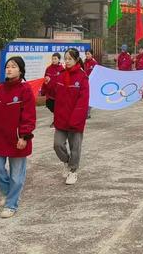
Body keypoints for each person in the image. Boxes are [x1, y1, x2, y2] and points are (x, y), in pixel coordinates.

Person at [0, 56, 36, 218]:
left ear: (20, 70)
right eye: (7, 67)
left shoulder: (25, 90)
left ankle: (11, 205)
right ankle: (7, 192)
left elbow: (29, 116)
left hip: (18, 140)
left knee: (17, 176)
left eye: (13, 67)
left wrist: (24, 137)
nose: (9, 69)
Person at [53, 48, 90, 185]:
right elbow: (54, 92)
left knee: (75, 147)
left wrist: (76, 119)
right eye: (65, 58)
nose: (66, 61)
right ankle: (67, 162)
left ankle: (73, 171)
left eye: (69, 59)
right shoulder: (61, 74)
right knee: (57, 145)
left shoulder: (82, 77)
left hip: (75, 120)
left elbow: (83, 101)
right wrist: (47, 83)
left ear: (76, 60)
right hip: (61, 118)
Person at [40, 53, 64, 128]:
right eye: (53, 59)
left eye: (55, 59)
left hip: (58, 93)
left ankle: (56, 121)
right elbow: (45, 80)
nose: (53, 60)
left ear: (59, 59)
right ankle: (59, 117)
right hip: (49, 92)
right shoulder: (48, 68)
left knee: (57, 108)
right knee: (49, 105)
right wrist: (43, 90)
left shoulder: (62, 69)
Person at [83, 49, 98, 119]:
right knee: (85, 97)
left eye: (88, 54)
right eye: (86, 54)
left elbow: (97, 73)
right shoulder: (84, 62)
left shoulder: (94, 63)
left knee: (90, 98)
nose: (87, 55)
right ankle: (85, 112)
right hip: (85, 82)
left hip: (92, 83)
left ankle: (87, 113)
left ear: (92, 54)